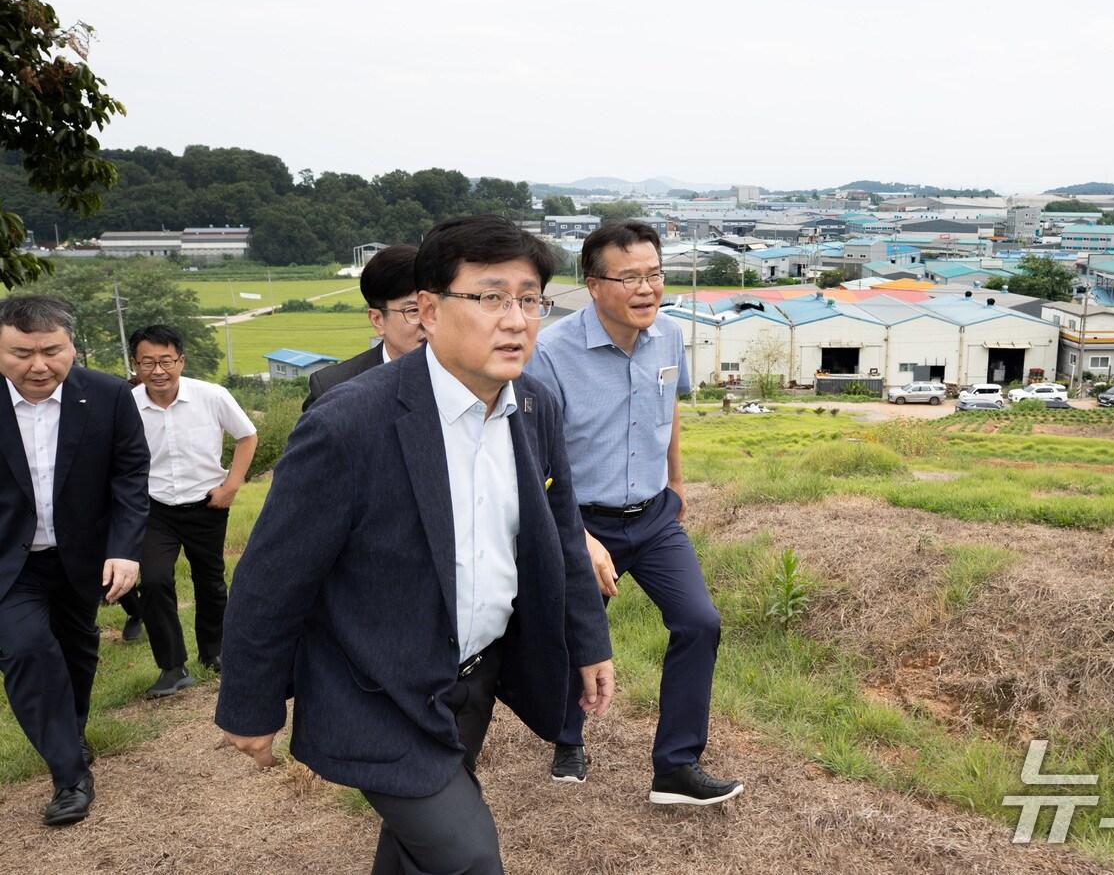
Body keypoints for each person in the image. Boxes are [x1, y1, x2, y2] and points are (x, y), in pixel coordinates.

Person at [216, 215, 614, 874]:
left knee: (415, 849)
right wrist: (249, 704)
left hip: (473, 676)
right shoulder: (351, 423)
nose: (516, 320)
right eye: (490, 297)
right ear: (428, 310)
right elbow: (272, 578)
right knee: (468, 855)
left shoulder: (535, 406)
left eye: (529, 300)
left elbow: (562, 531)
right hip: (379, 687)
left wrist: (589, 640)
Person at [527, 220, 743, 806]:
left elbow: (668, 407)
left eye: (654, 275)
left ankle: (676, 766)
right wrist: (576, 535)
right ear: (594, 285)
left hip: (652, 517)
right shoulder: (550, 353)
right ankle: (567, 738)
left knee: (699, 622)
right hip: (581, 520)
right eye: (629, 278)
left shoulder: (669, 336)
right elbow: (533, 455)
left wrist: (676, 483)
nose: (646, 289)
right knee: (575, 631)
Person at [0, 295, 149, 826]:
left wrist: (124, 549)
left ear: (72, 347)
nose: (39, 366)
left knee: (76, 653)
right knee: (26, 650)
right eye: (22, 353)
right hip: (9, 563)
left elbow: (130, 474)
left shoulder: (108, 395)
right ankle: (69, 776)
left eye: (52, 351)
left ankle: (70, 734)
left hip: (80, 556)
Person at [120, 325, 257, 698]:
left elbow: (247, 436)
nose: (158, 370)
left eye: (166, 361)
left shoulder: (211, 395)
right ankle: (172, 667)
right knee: (153, 581)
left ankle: (215, 651)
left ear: (180, 361)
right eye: (148, 362)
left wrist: (231, 486)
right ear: (135, 364)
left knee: (210, 581)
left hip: (206, 503)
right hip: (153, 507)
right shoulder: (126, 404)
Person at [303, 243, 424, 410]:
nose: (428, 321)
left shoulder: (460, 375)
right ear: (377, 320)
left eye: (433, 307)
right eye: (413, 310)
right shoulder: (333, 388)